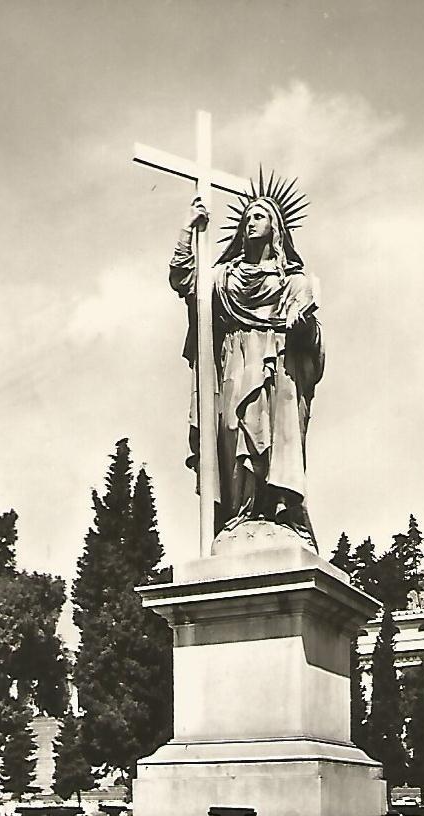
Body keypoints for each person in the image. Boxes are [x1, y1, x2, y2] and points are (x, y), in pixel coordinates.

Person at [170, 184, 324, 548]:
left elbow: (312, 337)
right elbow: (184, 279)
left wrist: (300, 326)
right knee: (231, 428)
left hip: (278, 369)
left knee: (273, 438)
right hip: (235, 363)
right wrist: (189, 228)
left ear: (276, 228)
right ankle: (240, 514)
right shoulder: (224, 279)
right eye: (246, 217)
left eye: (259, 216)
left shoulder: (294, 281)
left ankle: (276, 513)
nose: (250, 222)